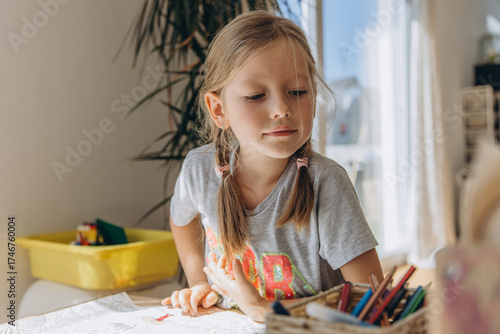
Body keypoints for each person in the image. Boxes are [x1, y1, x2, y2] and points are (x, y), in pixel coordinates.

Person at [161, 10, 383, 323]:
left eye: (297, 92)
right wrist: (198, 281)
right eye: (255, 96)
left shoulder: (326, 184)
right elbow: (180, 220)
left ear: (314, 96)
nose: (281, 109)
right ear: (218, 109)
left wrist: (263, 310)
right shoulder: (198, 170)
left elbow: (373, 307)